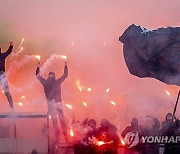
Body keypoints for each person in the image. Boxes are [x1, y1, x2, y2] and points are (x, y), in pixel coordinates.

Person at [36, 62, 68, 143]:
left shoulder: (48, 83)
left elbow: (38, 76)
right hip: (53, 106)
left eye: (51, 76)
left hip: (57, 106)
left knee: (59, 122)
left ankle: (64, 138)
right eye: (50, 76)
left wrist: (38, 67)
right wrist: (65, 65)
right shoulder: (54, 82)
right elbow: (65, 75)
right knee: (58, 122)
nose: (51, 78)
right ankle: (61, 138)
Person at [0, 42, 14, 110]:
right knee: (7, 92)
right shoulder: (2, 55)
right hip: (2, 75)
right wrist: (11, 46)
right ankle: (12, 107)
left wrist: (11, 46)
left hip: (2, 75)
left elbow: (9, 51)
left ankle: (12, 107)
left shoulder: (2, 55)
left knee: (7, 92)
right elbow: (9, 51)